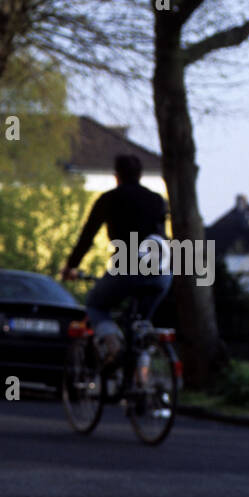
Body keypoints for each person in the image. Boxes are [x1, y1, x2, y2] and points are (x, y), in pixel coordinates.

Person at [62, 154, 171, 363]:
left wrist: (70, 267)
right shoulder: (157, 200)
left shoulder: (109, 199)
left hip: (128, 265)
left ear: (116, 176)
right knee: (141, 325)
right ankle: (142, 381)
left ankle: (112, 344)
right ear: (140, 175)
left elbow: (87, 237)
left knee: (96, 305)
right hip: (162, 270)